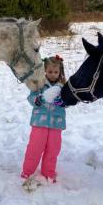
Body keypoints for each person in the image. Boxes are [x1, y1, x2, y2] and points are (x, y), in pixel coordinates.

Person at [21, 55, 66, 185]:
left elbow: (69, 101)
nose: (52, 75)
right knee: (35, 147)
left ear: (60, 72)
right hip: (39, 122)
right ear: (45, 71)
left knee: (53, 149)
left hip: (56, 123)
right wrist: (37, 99)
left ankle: (49, 172)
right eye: (50, 72)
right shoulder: (40, 84)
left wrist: (63, 102)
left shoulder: (63, 88)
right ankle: (27, 171)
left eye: (56, 72)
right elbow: (31, 97)